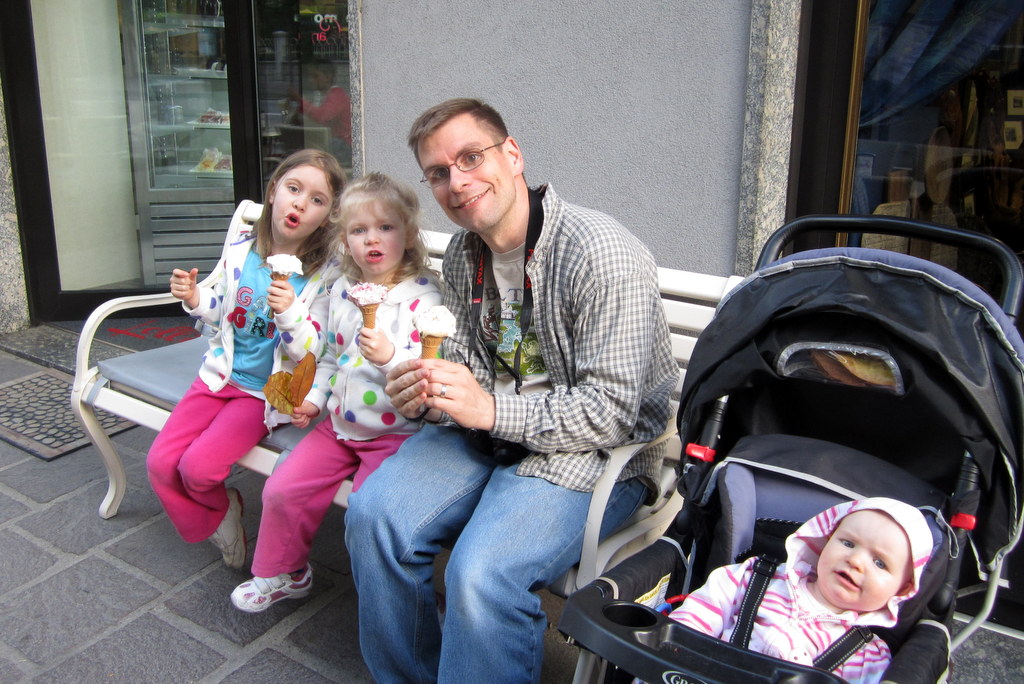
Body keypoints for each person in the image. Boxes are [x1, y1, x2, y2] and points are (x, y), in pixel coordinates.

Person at [343, 97, 678, 683]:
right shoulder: (466, 254)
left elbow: (612, 414)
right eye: (438, 173)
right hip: (490, 432)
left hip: (595, 455)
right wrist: (431, 396)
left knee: (482, 573)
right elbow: (469, 365)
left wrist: (487, 409)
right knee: (375, 517)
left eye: (471, 157)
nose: (457, 182)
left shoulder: (600, 253)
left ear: (513, 155)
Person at [229, 172, 442, 612]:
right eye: (359, 230)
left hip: (396, 436)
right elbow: (328, 355)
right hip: (339, 425)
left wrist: (389, 356)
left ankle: (393, 599)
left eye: (385, 227)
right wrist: (314, 399)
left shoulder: (424, 298)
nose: (372, 239)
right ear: (345, 240)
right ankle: (285, 573)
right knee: (283, 489)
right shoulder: (343, 289)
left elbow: (427, 374)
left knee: (371, 517)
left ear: (409, 234)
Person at [146, 149, 346, 569]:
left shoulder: (322, 277)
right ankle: (221, 513)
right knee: (161, 463)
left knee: (198, 469)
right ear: (273, 192)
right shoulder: (241, 253)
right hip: (218, 377)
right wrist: (195, 297)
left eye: (316, 200)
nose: (299, 203)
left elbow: (312, 352)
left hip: (261, 395)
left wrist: (290, 313)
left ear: (327, 216)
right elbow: (219, 310)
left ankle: (218, 507)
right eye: (293, 189)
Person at [662, 497, 934, 684]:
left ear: (903, 588)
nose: (856, 561)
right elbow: (700, 612)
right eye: (848, 543)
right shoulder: (755, 577)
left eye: (879, 563)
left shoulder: (868, 656)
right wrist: (677, 649)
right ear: (826, 541)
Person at [288, 60, 352, 163]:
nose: (311, 80)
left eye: (315, 76)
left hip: (343, 146)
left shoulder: (337, 95)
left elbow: (322, 116)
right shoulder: (323, 96)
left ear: (328, 77)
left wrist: (299, 100)